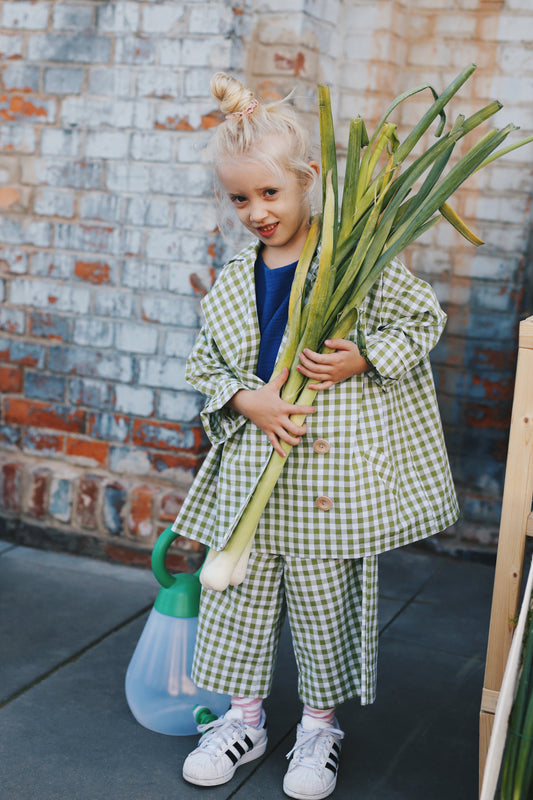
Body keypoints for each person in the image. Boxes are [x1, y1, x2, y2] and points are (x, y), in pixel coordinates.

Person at [173, 71, 459, 800]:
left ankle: (317, 728)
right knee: (237, 597)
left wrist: (364, 354)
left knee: (323, 600)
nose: (256, 212)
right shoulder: (237, 275)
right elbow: (205, 362)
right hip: (253, 469)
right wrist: (247, 399)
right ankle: (243, 719)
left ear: (306, 181)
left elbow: (422, 319)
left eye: (270, 194)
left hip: (328, 477)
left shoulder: (354, 264)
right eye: (240, 198)